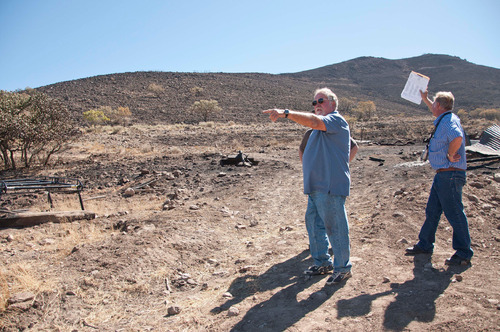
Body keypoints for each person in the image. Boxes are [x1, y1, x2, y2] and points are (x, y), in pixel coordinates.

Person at [263, 87, 353, 285]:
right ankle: (323, 262)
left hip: (329, 186)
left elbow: (314, 121)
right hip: (315, 187)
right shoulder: (317, 130)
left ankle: (343, 268)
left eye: (321, 101)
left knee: (335, 227)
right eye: (314, 103)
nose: (317, 105)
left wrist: (286, 113)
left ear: (333, 104)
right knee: (314, 224)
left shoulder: (336, 120)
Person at [405, 90, 473, 266]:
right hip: (444, 174)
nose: (432, 106)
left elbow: (457, 137)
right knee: (433, 211)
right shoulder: (446, 118)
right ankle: (425, 244)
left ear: (440, 106)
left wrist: (451, 155)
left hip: (449, 174)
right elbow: (437, 111)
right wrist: (426, 99)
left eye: (434, 103)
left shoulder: (448, 122)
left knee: (455, 212)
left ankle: (464, 252)